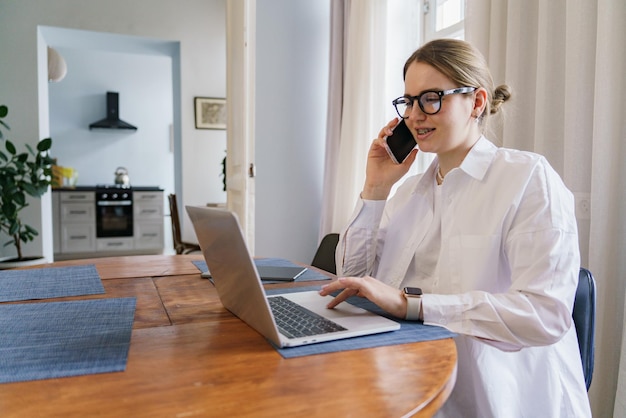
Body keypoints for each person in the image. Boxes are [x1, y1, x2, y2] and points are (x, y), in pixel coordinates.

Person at [319, 38, 592, 417]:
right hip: (411, 377)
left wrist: (411, 305)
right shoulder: (408, 193)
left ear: (476, 102)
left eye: (431, 98)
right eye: (408, 101)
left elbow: (544, 314)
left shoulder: (527, 178)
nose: (414, 115)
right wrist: (376, 188)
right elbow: (352, 280)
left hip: (497, 395)